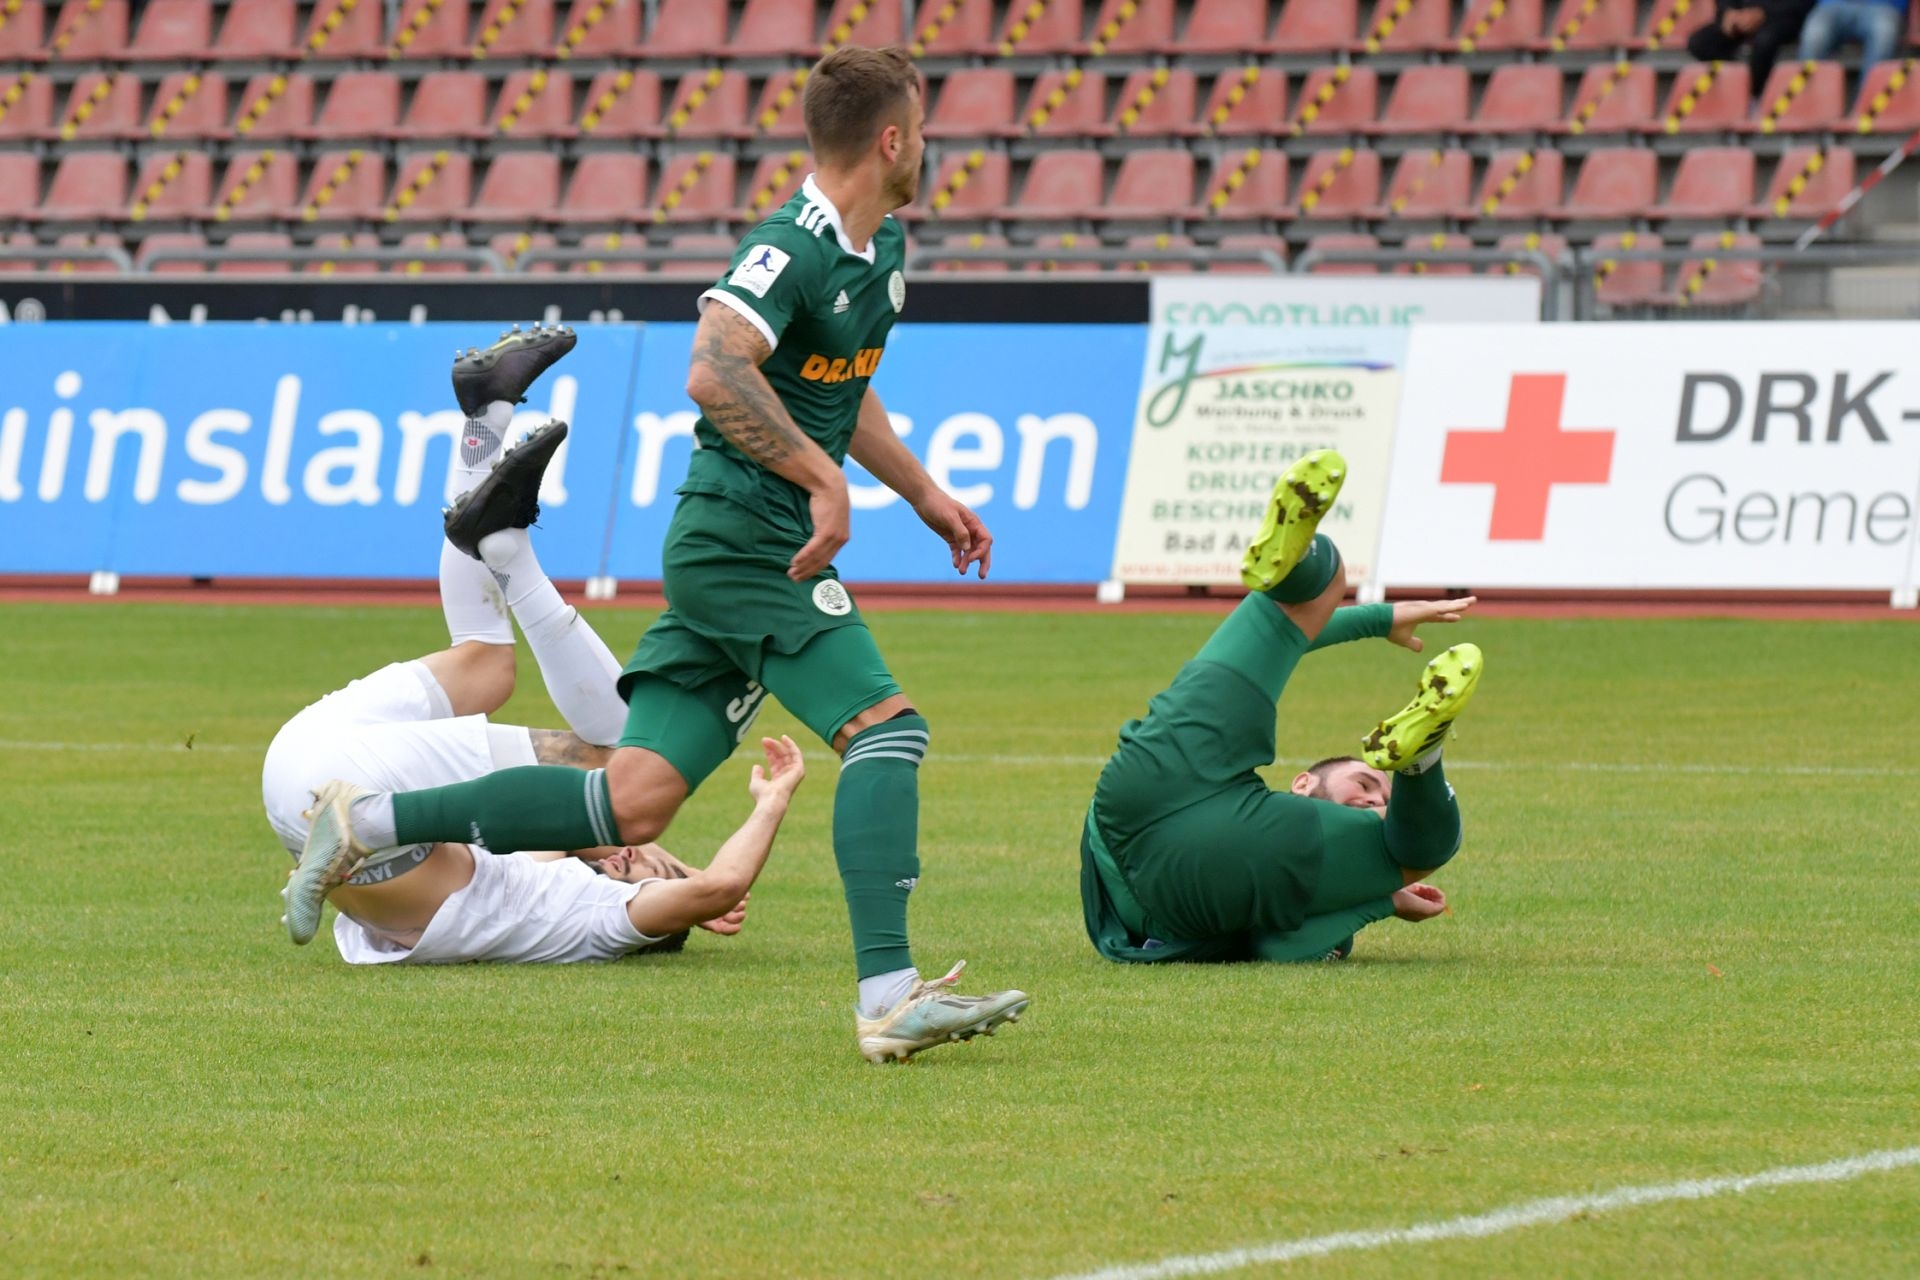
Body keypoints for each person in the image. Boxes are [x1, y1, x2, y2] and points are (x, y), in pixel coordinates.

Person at [289, 46, 1028, 1062]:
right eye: (925, 131)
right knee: (886, 733)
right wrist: (821, 481)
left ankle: (367, 820)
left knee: (629, 795)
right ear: (892, 139)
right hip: (748, 542)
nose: (931, 149)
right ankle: (891, 995)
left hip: (740, 547)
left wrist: (927, 493)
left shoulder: (881, 252)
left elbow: (838, 392)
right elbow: (713, 369)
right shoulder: (790, 245)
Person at [263, 323, 791, 965]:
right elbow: (542, 830)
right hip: (309, 766)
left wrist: (770, 803)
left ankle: (509, 550)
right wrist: (645, 855)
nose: (629, 864)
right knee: (484, 666)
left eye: (629, 875)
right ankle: (488, 413)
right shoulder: (521, 866)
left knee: (625, 761)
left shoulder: (590, 919)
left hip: (347, 795)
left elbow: (715, 889)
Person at [1080, 449, 1484, 966]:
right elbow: (1285, 947)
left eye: (1384, 798)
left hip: (1139, 794)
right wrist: (1377, 896)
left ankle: (1302, 574)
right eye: (1365, 784)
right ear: (1301, 784)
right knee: (1422, 851)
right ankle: (1419, 762)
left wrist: (1374, 897)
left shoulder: (1306, 860)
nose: (1371, 803)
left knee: (1307, 598)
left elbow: (1282, 944)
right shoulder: (1302, 856)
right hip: (1172, 830)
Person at [1686, 1, 1817, 101]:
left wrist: (1763, 13)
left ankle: (1755, 99)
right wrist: (1728, 12)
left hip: (1782, 17)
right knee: (1700, 42)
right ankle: (1737, 88)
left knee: (1764, 42)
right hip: (1740, 16)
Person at [1798, 0, 1909, 68]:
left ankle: (1869, 102)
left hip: (1881, 6)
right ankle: (1808, 100)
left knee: (1885, 31)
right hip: (1833, 5)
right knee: (1815, 33)